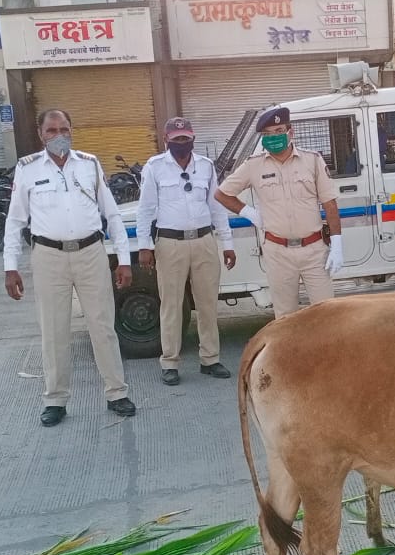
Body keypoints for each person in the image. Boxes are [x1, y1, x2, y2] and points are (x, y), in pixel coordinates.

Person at [3, 109, 137, 427]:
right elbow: (15, 220)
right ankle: (56, 400)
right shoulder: (27, 169)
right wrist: (10, 266)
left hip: (91, 252)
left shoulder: (89, 164)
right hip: (48, 256)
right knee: (54, 331)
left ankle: (117, 393)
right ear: (40, 133)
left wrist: (124, 259)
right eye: (52, 130)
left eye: (64, 128)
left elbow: (113, 215)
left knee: (103, 327)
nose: (59, 135)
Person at [136, 117, 236, 386]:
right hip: (170, 244)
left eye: (186, 137)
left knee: (207, 304)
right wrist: (144, 245)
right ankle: (170, 362)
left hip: (204, 241)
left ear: (192, 138)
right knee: (171, 305)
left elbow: (217, 207)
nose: (182, 142)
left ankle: (210, 359)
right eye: (176, 138)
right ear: (166, 139)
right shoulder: (155, 167)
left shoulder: (205, 166)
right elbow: (145, 209)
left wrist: (227, 243)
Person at [215, 106, 342, 318]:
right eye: (267, 134)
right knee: (285, 317)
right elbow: (222, 194)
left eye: (278, 131)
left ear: (290, 132)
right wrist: (250, 214)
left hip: (314, 250)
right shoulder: (253, 166)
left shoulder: (312, 160)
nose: (273, 137)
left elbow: (330, 204)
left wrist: (337, 244)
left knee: (327, 314)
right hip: (277, 252)